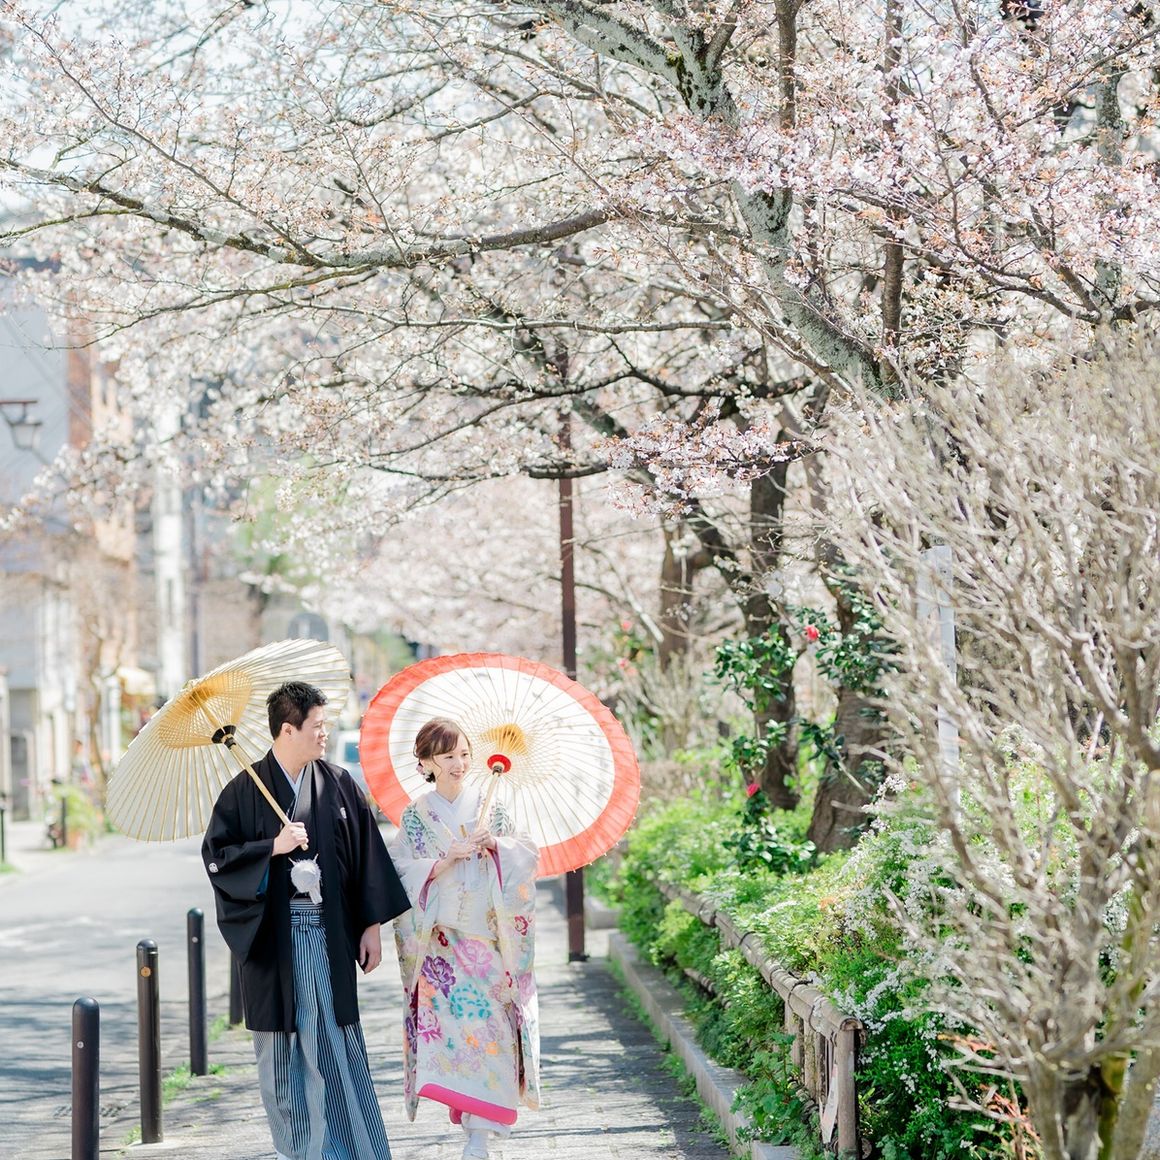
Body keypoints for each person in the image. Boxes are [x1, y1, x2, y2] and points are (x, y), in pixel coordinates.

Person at [202, 681, 410, 1160]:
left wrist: (371, 927)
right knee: (279, 1051)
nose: (324, 733)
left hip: (328, 933)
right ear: (287, 729)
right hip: (272, 938)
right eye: (317, 725)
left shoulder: (338, 783)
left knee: (334, 1041)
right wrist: (271, 847)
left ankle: (348, 1149)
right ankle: (296, 1149)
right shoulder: (242, 791)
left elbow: (366, 858)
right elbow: (217, 859)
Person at [389, 718, 540, 1160]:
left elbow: (527, 854)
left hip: (488, 943)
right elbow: (400, 871)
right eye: (448, 756)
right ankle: (474, 1136)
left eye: (464, 754)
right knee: (456, 1042)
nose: (459, 763)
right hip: (442, 950)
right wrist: (442, 861)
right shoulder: (416, 816)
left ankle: (480, 1135)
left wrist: (497, 846)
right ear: (426, 763)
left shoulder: (494, 807)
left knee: (493, 1037)